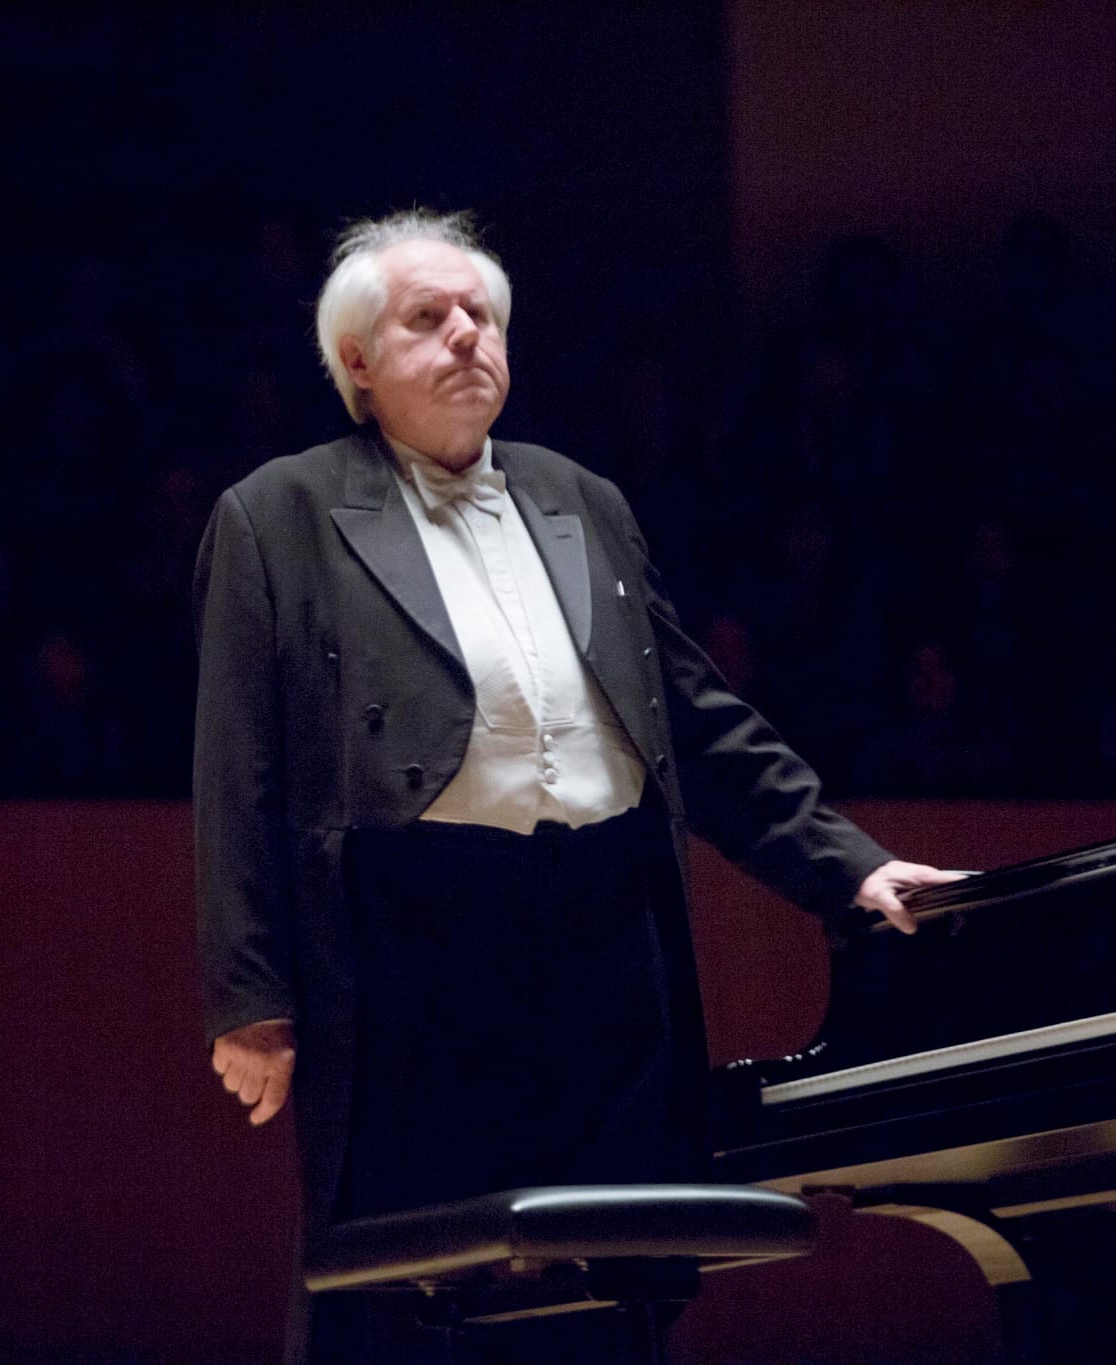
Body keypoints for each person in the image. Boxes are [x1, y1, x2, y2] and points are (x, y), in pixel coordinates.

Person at [193, 210, 959, 1363]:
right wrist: (250, 996)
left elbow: (694, 719)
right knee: (421, 1290)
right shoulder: (277, 512)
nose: (467, 335)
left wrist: (847, 868)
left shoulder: (579, 497)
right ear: (355, 361)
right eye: (428, 318)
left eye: (482, 315)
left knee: (615, 1281)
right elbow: (236, 767)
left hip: (609, 929)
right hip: (421, 935)